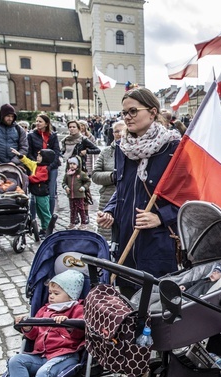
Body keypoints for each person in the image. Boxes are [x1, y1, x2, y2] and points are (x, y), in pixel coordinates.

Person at [96, 87, 182, 297]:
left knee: (154, 307)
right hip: (125, 239)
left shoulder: (172, 148)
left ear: (152, 112)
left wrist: (160, 217)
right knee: (126, 304)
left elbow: (189, 196)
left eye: (133, 111)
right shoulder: (121, 148)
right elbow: (122, 189)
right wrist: (110, 210)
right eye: (124, 113)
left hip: (157, 242)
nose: (127, 117)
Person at [4, 270, 86, 377]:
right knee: (15, 361)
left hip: (65, 356)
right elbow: (34, 335)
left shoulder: (77, 310)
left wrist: (67, 324)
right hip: (42, 355)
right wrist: (26, 327)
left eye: (57, 293)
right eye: (50, 293)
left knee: (43, 373)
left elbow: (81, 335)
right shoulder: (44, 310)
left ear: (70, 294)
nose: (51, 297)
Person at [91, 120, 125, 241]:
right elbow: (95, 175)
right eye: (116, 131)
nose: (120, 134)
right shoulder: (106, 152)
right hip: (108, 198)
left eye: (122, 131)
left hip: (126, 199)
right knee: (107, 235)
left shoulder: (133, 151)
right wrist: (112, 176)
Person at [13, 148, 54, 237]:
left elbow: (37, 178)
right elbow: (28, 162)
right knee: (39, 212)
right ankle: (44, 228)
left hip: (42, 193)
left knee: (45, 212)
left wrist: (26, 178)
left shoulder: (45, 168)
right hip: (36, 192)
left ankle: (48, 230)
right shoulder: (37, 165)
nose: (37, 157)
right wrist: (20, 156)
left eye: (40, 156)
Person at [27, 114, 62, 215]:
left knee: (51, 193)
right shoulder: (31, 135)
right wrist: (36, 165)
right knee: (33, 193)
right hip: (36, 167)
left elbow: (56, 152)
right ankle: (32, 219)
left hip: (51, 168)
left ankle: (49, 218)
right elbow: (29, 152)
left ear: (46, 123)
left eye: (40, 121)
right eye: (36, 121)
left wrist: (49, 166)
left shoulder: (53, 136)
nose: (37, 123)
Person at [62, 157, 91, 230]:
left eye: (74, 164)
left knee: (81, 209)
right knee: (72, 210)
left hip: (79, 195)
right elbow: (64, 182)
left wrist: (84, 187)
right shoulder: (67, 174)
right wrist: (66, 187)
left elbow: (88, 181)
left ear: (77, 165)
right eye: (70, 164)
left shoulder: (81, 174)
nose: (72, 165)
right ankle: (72, 223)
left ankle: (83, 223)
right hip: (71, 196)